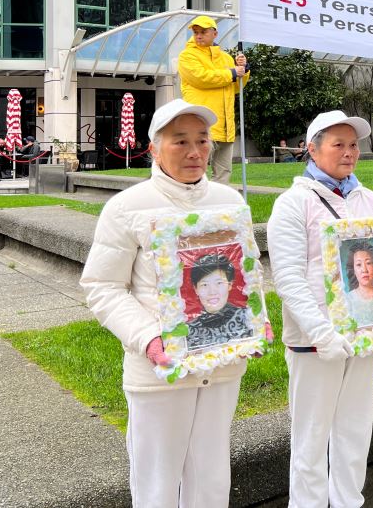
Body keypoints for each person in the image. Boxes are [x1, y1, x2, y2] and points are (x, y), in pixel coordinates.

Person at [80, 99, 269, 507]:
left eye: (202, 140)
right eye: (180, 141)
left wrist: (256, 320)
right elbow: (102, 286)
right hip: (159, 373)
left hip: (222, 367)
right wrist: (149, 339)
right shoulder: (126, 207)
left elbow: (246, 272)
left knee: (212, 478)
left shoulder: (229, 200)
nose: (195, 151)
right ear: (154, 148)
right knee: (156, 483)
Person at [267, 110, 373, 507]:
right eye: (338, 144)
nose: (349, 152)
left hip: (366, 333)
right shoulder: (293, 203)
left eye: (353, 144)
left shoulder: (366, 198)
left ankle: (349, 501)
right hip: (314, 342)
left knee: (354, 432)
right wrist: (321, 333)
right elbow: (287, 278)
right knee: (311, 438)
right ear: (312, 148)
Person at [177, 15, 250, 184]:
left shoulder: (226, 58)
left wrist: (243, 70)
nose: (198, 35)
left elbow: (236, 87)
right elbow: (201, 78)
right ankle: (191, 198)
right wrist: (232, 72)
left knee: (224, 172)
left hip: (225, 126)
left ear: (214, 34)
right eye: (196, 32)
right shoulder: (187, 56)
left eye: (203, 32)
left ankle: (218, 200)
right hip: (201, 125)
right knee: (194, 170)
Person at [186, 253, 254, 352]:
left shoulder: (247, 317)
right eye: (205, 285)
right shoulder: (189, 330)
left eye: (219, 283)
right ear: (196, 289)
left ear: (230, 284)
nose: (212, 292)